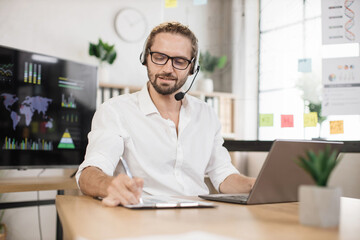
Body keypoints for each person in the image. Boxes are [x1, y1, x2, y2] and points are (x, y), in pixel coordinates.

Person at [76, 21, 256, 207]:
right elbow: (90, 173)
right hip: (143, 218)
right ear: (145, 58)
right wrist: (110, 185)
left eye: (179, 61)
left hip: (199, 218)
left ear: (192, 68)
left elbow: (224, 176)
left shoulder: (206, 114)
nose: (168, 69)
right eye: (159, 57)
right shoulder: (115, 111)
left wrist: (255, 185)